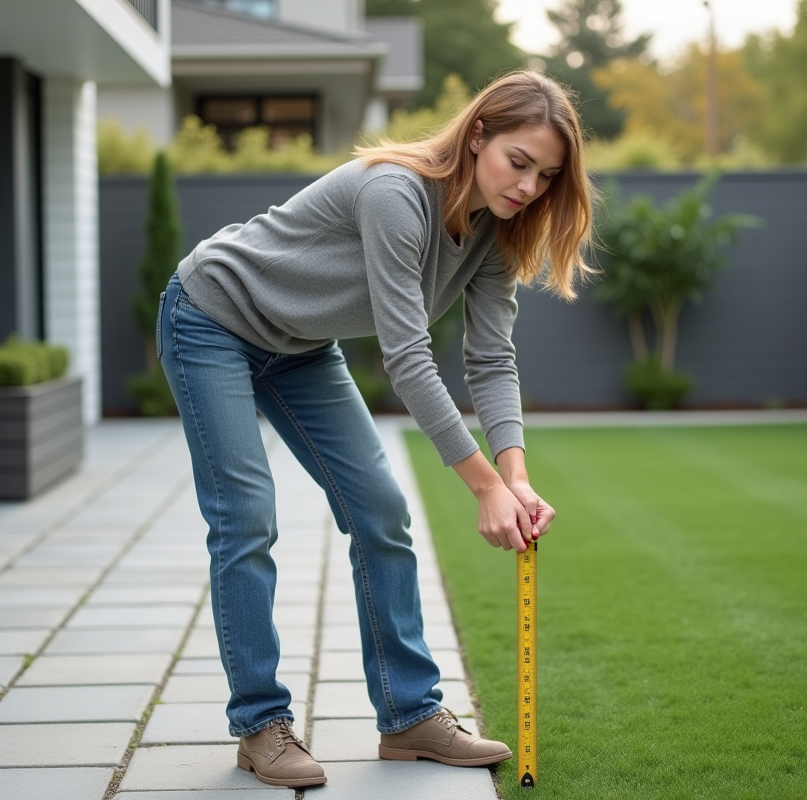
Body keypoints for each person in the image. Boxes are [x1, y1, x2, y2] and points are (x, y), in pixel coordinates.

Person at [157, 69, 596, 789]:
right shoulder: (397, 193)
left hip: (297, 346)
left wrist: (515, 478)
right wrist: (481, 485)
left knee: (382, 511)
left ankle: (410, 717)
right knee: (246, 519)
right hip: (213, 316)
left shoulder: (496, 230)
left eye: (546, 176)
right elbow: (407, 357)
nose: (528, 187)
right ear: (478, 133)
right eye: (519, 162)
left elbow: (490, 358)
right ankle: (260, 726)